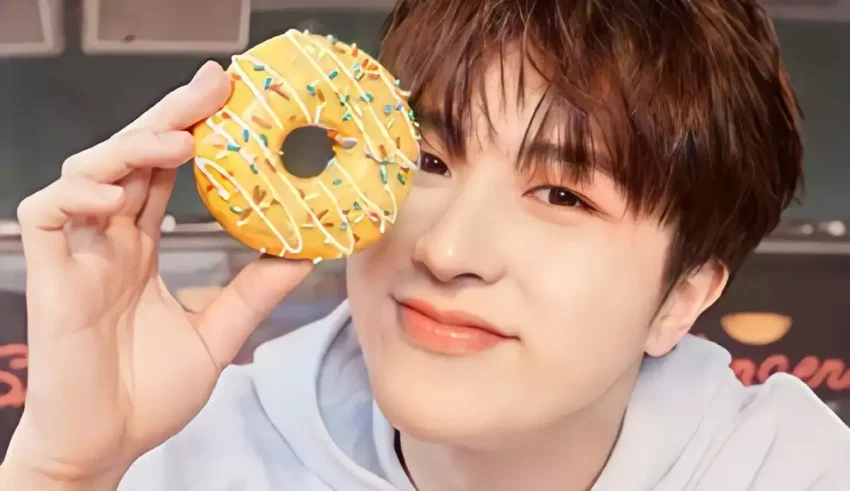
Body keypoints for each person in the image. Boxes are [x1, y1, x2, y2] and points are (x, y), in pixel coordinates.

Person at [1, 0, 848, 489]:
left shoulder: (791, 471)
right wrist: (63, 471)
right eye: (428, 160)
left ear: (683, 296)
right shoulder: (195, 453)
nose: (446, 250)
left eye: (563, 194)